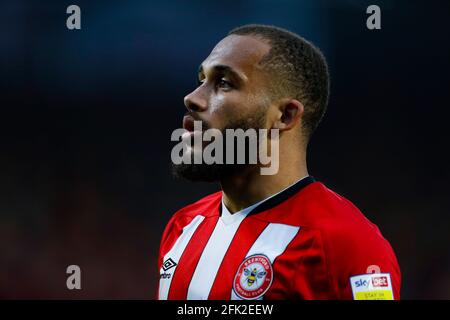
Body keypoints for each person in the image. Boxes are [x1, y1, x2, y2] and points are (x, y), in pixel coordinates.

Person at [158, 24, 401, 300]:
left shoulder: (349, 244)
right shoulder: (184, 225)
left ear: (285, 115)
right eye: (202, 80)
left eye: (224, 83)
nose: (192, 98)